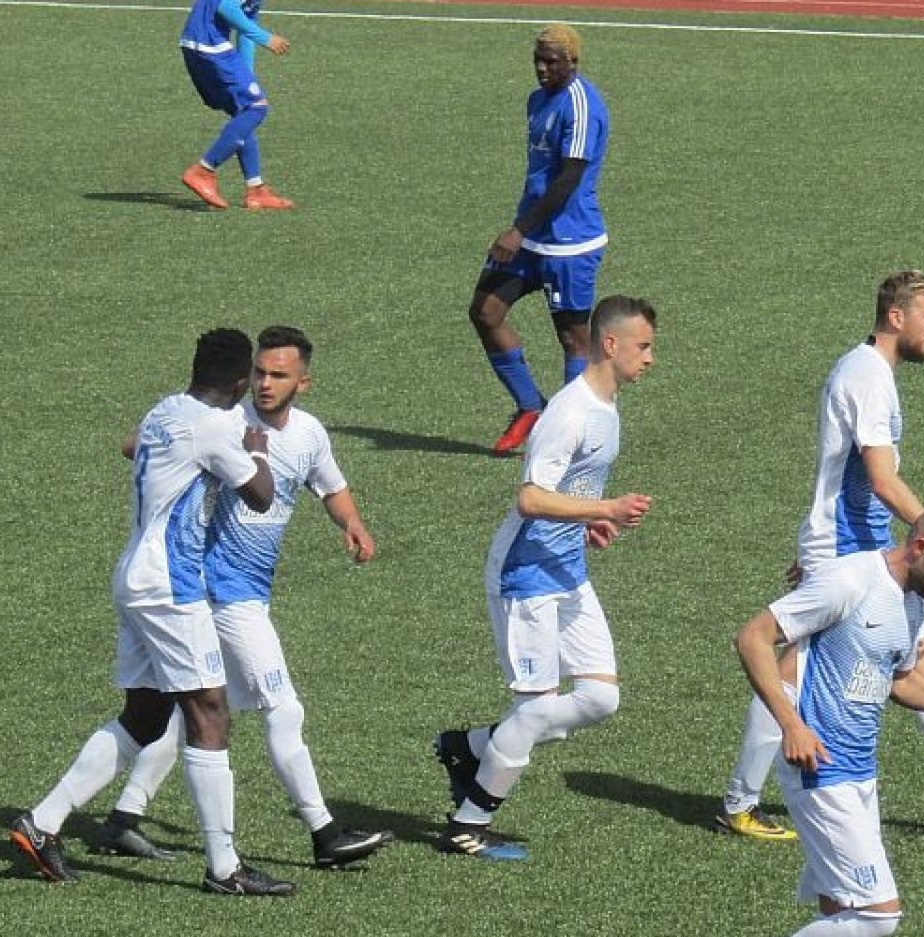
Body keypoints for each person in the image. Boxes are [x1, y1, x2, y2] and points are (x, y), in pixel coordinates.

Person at [716, 271, 924, 841]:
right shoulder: (867, 376)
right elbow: (881, 479)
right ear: (897, 317)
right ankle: (739, 803)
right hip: (847, 547)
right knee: (795, 669)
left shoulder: (871, 373)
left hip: (863, 543)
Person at [9, 329, 298, 895]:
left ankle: (41, 822)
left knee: (144, 716)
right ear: (241, 381)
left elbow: (136, 446)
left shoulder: (165, 409)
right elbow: (261, 494)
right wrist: (257, 447)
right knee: (210, 715)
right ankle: (226, 868)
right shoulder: (214, 428)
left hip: (136, 575)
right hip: (172, 585)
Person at [94, 326, 391, 870]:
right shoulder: (227, 421)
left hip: (247, 589)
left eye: (278, 375)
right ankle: (324, 833)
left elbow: (330, 485)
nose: (264, 383)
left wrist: (352, 523)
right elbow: (137, 444)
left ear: (303, 383)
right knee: (283, 707)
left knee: (195, 712)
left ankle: (121, 820)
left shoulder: (309, 433)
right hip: (221, 593)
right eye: (259, 372)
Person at [435, 295, 656, 860]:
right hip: (526, 573)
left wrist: (587, 523)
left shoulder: (606, 406)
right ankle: (468, 824)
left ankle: (468, 746)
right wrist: (605, 509)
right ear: (611, 344)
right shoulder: (571, 411)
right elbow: (530, 498)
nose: (650, 358)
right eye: (644, 346)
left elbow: (566, 492)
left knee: (600, 699)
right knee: (534, 709)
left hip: (567, 568)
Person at [736, 506, 924, 937]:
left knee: (840, 907)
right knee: (877, 916)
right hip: (820, 767)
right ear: (920, 548)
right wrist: (792, 726)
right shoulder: (851, 580)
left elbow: (899, 681)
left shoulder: (913, 603)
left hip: (860, 770)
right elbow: (753, 637)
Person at [468, 24, 611, 455]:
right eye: (538, 60)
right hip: (531, 236)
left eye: (552, 61)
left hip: (569, 242)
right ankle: (530, 407)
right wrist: (524, 229)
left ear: (573, 62)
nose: (543, 69)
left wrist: (519, 230)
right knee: (485, 311)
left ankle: (574, 435)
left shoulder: (582, 106)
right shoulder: (537, 100)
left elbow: (568, 179)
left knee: (573, 339)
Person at [179, 0, 294, 211]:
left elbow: (247, 20)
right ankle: (203, 170)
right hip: (210, 45)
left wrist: (245, 73)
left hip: (198, 44)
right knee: (257, 108)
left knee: (243, 111)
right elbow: (226, 7)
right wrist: (266, 39)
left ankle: (255, 189)